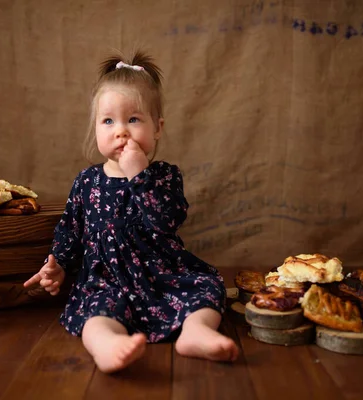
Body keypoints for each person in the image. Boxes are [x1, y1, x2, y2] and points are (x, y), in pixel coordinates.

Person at [24, 50, 239, 373]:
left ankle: (196, 332)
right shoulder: (87, 181)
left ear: (157, 128)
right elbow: (70, 230)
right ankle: (107, 345)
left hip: (162, 275)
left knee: (207, 287)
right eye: (108, 121)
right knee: (94, 313)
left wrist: (140, 176)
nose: (120, 131)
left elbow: (166, 221)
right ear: (96, 127)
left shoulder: (164, 176)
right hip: (106, 281)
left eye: (134, 119)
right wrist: (57, 266)